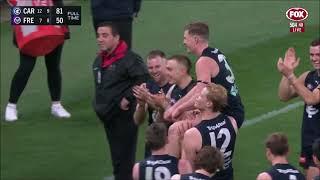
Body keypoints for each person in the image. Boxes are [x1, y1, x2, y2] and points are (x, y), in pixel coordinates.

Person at [92, 22, 149, 180]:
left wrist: (129, 97)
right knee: (117, 158)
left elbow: (143, 78)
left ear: (116, 37)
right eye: (98, 35)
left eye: (105, 35)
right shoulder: (100, 60)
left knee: (124, 160)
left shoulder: (129, 59)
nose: (100, 39)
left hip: (124, 117)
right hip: (108, 116)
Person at [165, 22, 244, 129]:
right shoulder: (215, 52)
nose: (184, 42)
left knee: (176, 130)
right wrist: (176, 107)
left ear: (196, 39)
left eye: (185, 38)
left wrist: (179, 109)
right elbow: (199, 89)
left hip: (227, 115)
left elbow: (200, 95)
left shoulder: (203, 62)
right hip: (234, 109)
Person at [4, 0, 71, 122]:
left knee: (53, 65)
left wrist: (64, 26)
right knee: (26, 66)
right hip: (28, 19)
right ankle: (11, 106)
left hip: (52, 16)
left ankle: (56, 105)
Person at [277, 38, 320, 180]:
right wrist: (287, 74)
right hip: (309, 140)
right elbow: (284, 95)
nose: (314, 59)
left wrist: (291, 75)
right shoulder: (308, 76)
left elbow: (312, 99)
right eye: (312, 55)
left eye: (318, 55)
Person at [182, 83, 238, 180]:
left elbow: (190, 169)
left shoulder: (192, 134)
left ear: (209, 104)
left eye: (200, 96)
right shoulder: (232, 122)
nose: (197, 97)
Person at [133, 50, 172, 157]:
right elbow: (137, 120)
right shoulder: (147, 87)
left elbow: (170, 115)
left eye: (157, 66)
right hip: (154, 142)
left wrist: (147, 98)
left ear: (166, 65)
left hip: (172, 141)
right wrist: (141, 104)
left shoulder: (174, 85)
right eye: (150, 68)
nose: (154, 71)